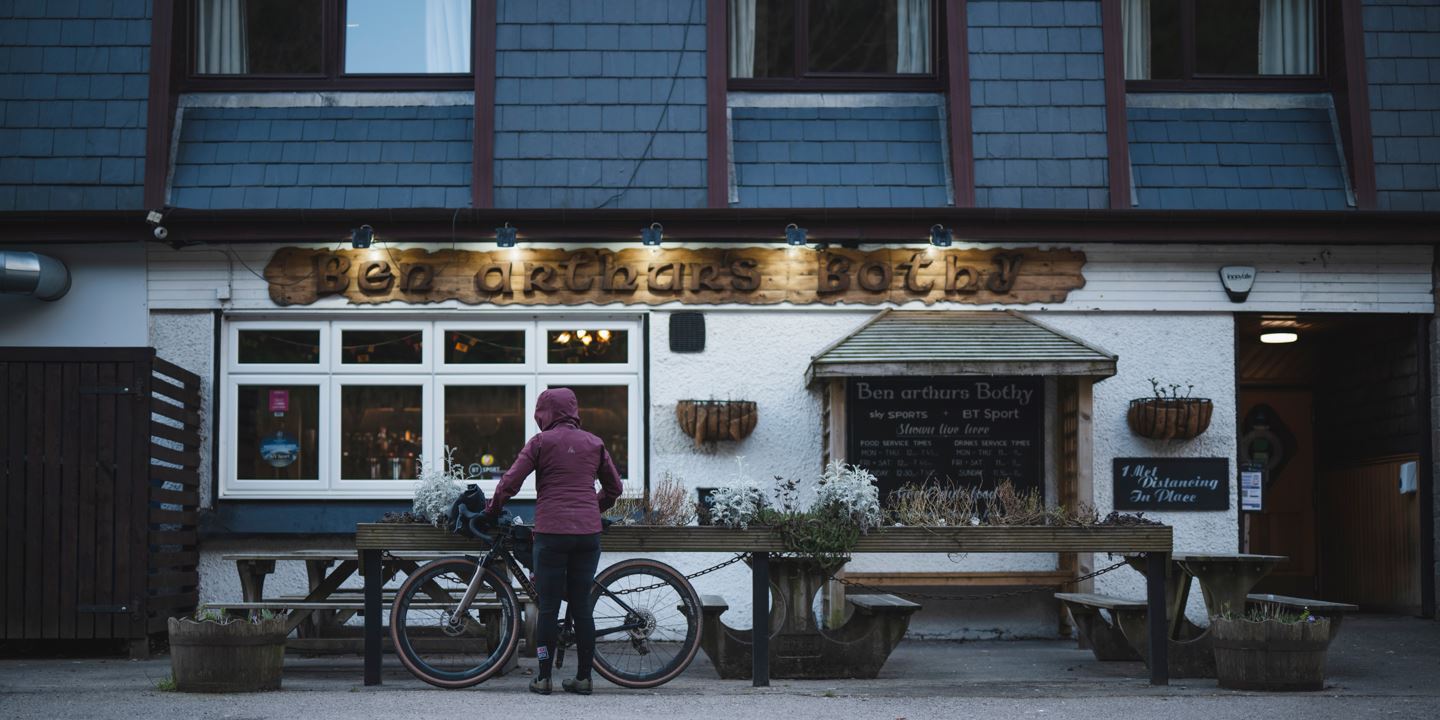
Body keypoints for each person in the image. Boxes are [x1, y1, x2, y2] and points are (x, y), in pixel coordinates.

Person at [485, 387, 623, 695]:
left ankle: (543, 677)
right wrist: (590, 510)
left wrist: (492, 510)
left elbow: (511, 482)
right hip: (587, 535)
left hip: (551, 533)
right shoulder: (594, 443)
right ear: (573, 411)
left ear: (543, 414)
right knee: (582, 606)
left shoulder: (540, 443)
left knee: (548, 607)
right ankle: (585, 678)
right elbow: (614, 488)